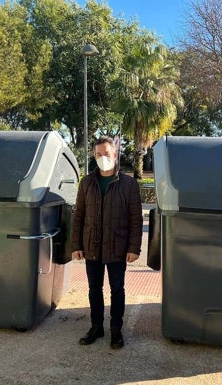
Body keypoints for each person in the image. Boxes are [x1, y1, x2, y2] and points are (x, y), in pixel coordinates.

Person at [71, 136, 143, 349]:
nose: (102, 158)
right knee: (94, 289)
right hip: (92, 246)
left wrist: (134, 247)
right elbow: (79, 216)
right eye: (98, 154)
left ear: (115, 155)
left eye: (106, 154)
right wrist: (76, 245)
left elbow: (136, 219)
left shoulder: (128, 184)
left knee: (117, 290)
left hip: (118, 248)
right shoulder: (87, 182)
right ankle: (96, 327)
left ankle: (116, 330)